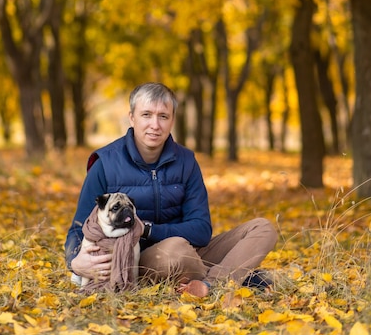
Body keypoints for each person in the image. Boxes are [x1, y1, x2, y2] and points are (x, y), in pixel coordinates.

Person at [65, 82, 278, 297]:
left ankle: (210, 285)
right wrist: (76, 262)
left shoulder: (186, 161)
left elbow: (202, 230)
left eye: (163, 116)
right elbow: (78, 226)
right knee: (175, 252)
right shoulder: (106, 163)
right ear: (132, 117)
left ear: (172, 120)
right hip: (138, 259)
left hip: (190, 251)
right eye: (146, 115)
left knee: (263, 228)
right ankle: (240, 278)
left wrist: (148, 229)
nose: (155, 125)